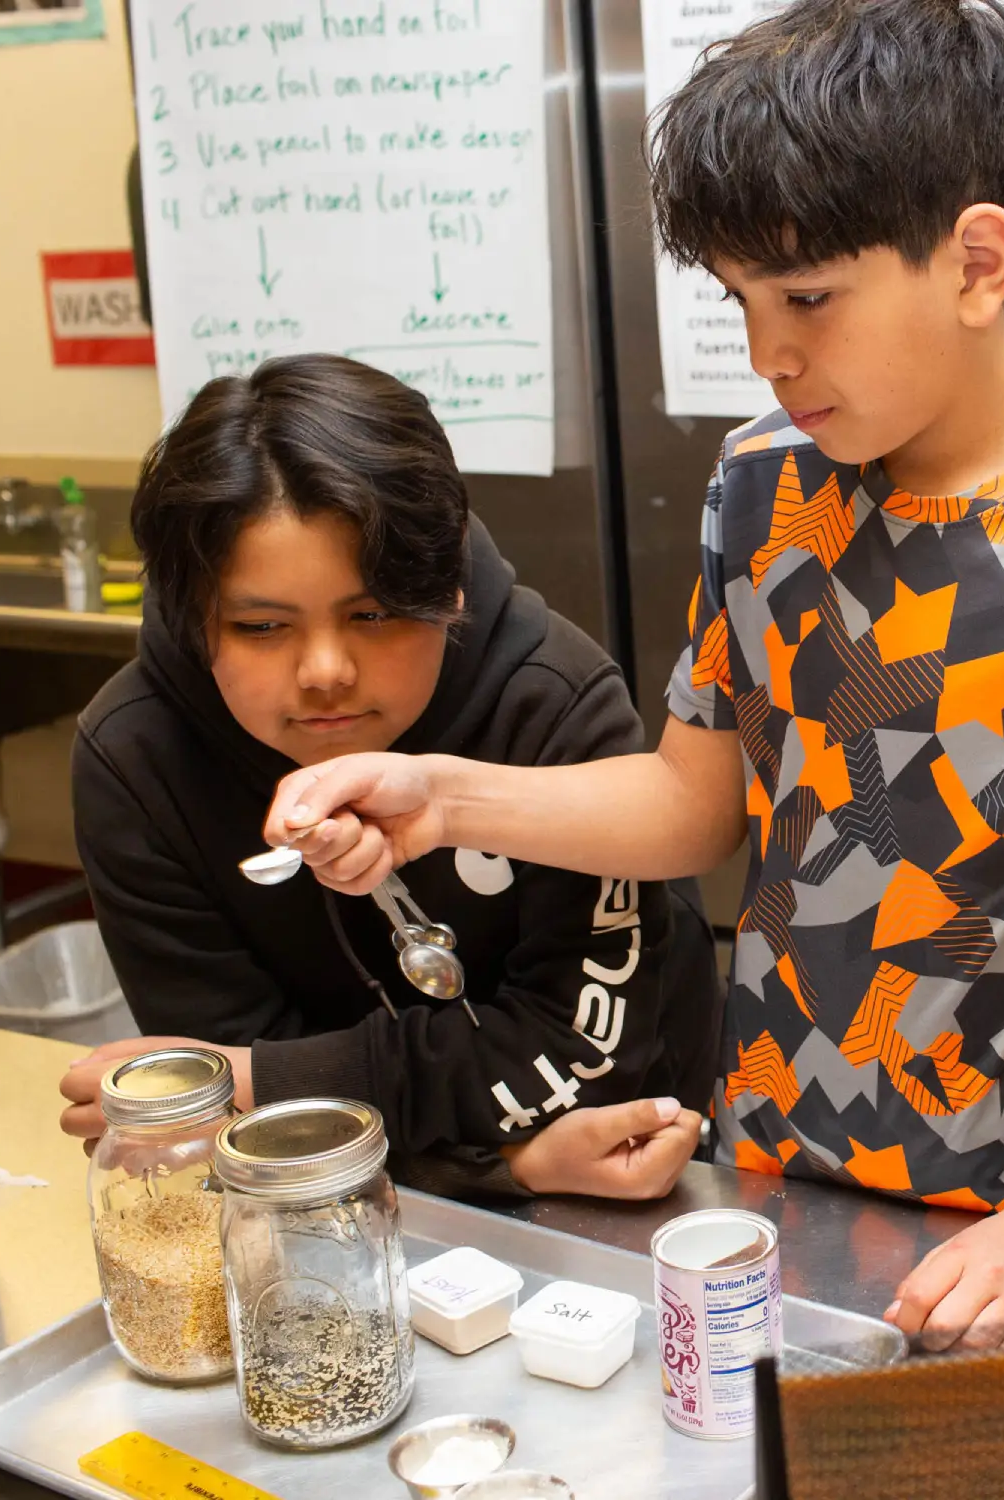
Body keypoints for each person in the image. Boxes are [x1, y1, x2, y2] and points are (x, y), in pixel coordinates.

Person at [258, 0, 1004, 1350]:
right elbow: (696, 804)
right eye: (740, 304)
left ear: (977, 262)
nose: (769, 354)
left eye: (805, 299)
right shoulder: (763, 485)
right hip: (770, 1179)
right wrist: (439, 797)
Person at [59, 354, 718, 1201]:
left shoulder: (549, 702)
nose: (325, 669)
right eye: (262, 626)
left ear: (442, 587)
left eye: (373, 615)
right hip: (329, 1212)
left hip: (626, 1179)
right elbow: (240, 1136)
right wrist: (502, 1166)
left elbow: (587, 1072)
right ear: (195, 620)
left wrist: (275, 1080)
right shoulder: (135, 760)